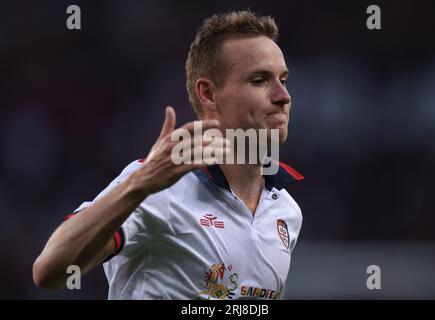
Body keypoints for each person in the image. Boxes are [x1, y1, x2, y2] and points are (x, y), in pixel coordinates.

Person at [32, 10, 304, 300]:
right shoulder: (160, 186)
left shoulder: (286, 211)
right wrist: (140, 185)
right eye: (260, 80)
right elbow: (50, 270)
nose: (283, 96)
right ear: (208, 94)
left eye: (283, 80)